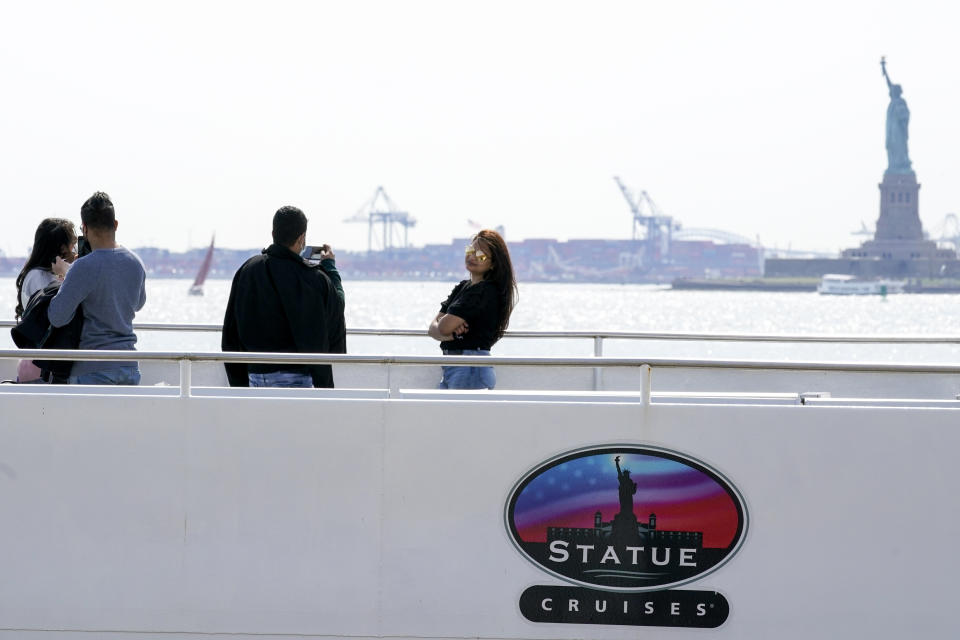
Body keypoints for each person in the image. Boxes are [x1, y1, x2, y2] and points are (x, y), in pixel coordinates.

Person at [221, 205, 346, 388]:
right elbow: (337, 305)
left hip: (254, 376)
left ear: (273, 233)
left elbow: (231, 329)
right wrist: (330, 267)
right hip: (298, 378)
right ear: (301, 238)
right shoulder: (313, 278)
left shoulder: (247, 270)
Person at [48, 191, 147, 385]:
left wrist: (64, 276)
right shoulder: (136, 263)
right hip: (129, 366)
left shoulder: (83, 266)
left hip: (92, 369)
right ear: (116, 224)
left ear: (84, 228)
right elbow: (138, 304)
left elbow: (57, 317)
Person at [428, 229, 517, 389]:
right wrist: (449, 335)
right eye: (470, 251)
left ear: (493, 264)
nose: (472, 257)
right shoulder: (462, 287)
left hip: (471, 366)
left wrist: (445, 328)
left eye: (481, 256)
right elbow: (432, 329)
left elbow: (442, 326)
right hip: (452, 364)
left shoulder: (485, 291)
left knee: (455, 413)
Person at [13, 218, 78, 382]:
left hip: (43, 361)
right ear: (62, 248)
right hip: (40, 364)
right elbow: (54, 315)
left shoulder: (45, 274)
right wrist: (68, 274)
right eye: (73, 244)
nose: (75, 250)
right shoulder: (38, 276)